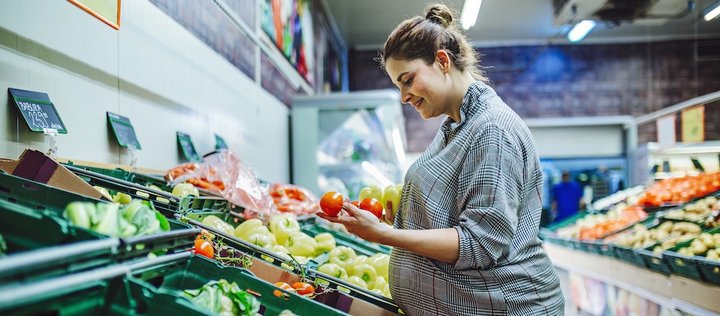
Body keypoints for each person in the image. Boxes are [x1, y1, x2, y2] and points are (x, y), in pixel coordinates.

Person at [317, 4, 564, 315]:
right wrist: (403, 218)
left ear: (443, 61)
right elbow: (454, 217)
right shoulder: (454, 126)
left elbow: (480, 243)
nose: (404, 96)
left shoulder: (491, 130)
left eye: (407, 80)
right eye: (398, 86)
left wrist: (385, 235)